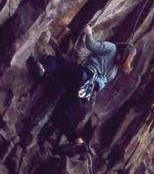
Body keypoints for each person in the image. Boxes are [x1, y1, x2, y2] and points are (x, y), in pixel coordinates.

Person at [31, 26, 137, 155]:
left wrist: (88, 31)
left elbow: (92, 45)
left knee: (57, 63)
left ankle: (44, 69)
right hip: (86, 91)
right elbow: (100, 85)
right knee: (60, 116)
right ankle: (79, 142)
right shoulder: (114, 72)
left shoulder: (112, 48)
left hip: (81, 75)